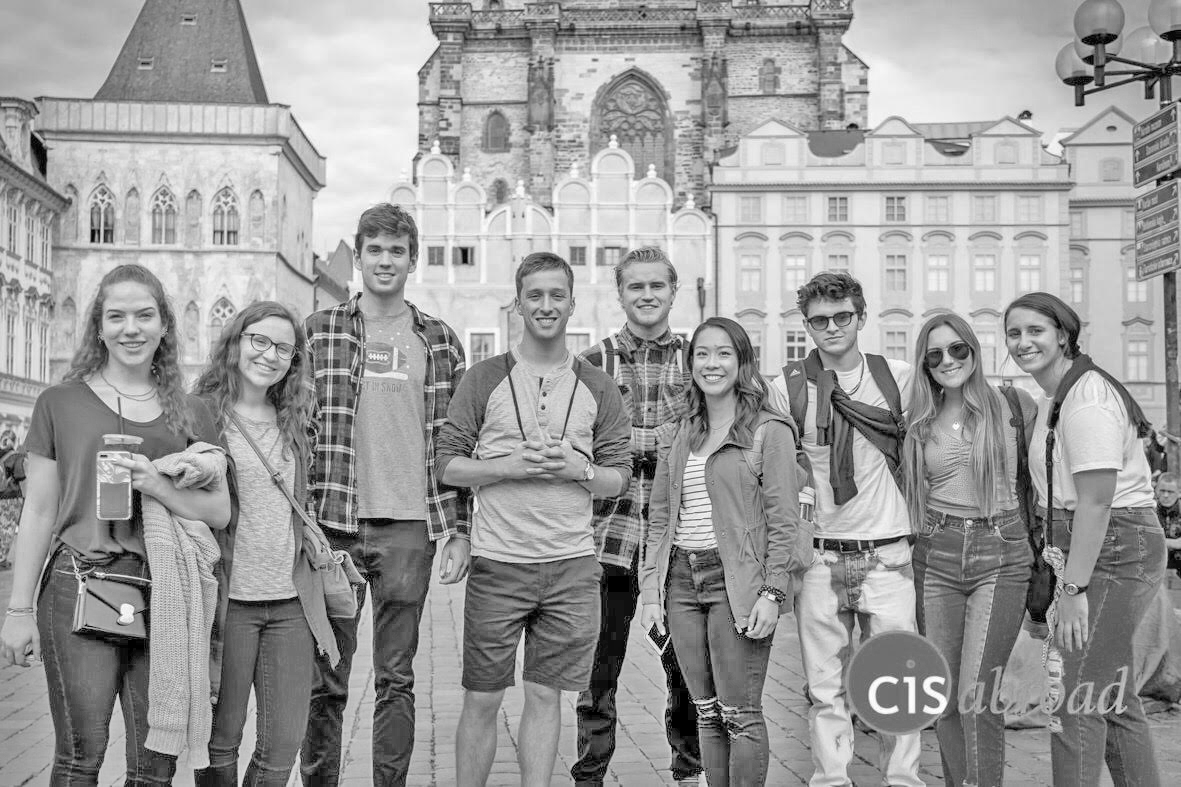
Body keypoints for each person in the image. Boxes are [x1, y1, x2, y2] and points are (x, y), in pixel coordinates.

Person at [0, 263, 230, 785]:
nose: (132, 328)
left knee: (155, 765)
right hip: (80, 581)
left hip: (167, 590)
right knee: (81, 754)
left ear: (165, 326)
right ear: (98, 328)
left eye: (145, 315)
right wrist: (16, 610)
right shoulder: (59, 403)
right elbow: (38, 511)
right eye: (117, 316)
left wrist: (156, 484)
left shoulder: (192, 412)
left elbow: (218, 512)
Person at [436, 252, 632, 787]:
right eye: (534, 296)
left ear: (572, 303)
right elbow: (447, 466)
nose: (546, 306)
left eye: (556, 295)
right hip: (499, 563)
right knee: (482, 696)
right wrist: (505, 466)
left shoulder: (598, 385)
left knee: (547, 695)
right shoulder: (484, 378)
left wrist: (580, 469)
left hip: (571, 565)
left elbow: (620, 477)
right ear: (518, 304)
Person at [302, 203, 471, 787]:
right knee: (326, 673)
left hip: (409, 528)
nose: (384, 260)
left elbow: (454, 438)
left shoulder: (440, 340)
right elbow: (295, 423)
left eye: (396, 250)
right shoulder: (320, 330)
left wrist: (459, 530)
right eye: (374, 249)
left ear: (412, 259)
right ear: (359, 255)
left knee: (396, 676)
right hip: (334, 524)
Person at [769, 271, 923, 787]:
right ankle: (831, 780)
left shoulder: (896, 377)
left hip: (887, 554)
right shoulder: (786, 386)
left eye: (841, 317)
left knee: (899, 682)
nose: (831, 327)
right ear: (806, 325)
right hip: (819, 557)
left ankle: (903, 780)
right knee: (824, 688)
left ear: (861, 316)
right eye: (819, 320)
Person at [1004, 291, 1164, 786]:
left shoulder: (1087, 397)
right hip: (1099, 544)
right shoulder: (1060, 394)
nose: (1023, 342)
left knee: (1074, 696)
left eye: (1036, 331)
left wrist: (1072, 590)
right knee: (1112, 694)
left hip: (1113, 545)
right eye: (1014, 333)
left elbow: (1096, 502)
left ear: (1064, 336)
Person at [639, 317, 806, 787]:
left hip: (738, 585)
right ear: (691, 363)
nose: (712, 364)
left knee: (741, 714)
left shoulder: (768, 431)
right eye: (703, 354)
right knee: (707, 714)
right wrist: (651, 593)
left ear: (742, 362)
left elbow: (784, 522)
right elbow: (660, 517)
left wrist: (773, 593)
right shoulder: (681, 431)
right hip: (681, 583)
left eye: (724, 353)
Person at [192, 301, 341, 786]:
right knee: (221, 742)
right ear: (236, 340)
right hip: (227, 601)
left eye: (284, 348)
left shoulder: (294, 418)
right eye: (259, 340)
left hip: (290, 601)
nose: (270, 355)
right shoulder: (201, 415)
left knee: (282, 745)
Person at [573, 246, 701, 787]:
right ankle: (591, 773)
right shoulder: (592, 363)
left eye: (657, 286)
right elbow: (576, 444)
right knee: (598, 671)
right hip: (609, 535)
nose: (647, 296)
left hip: (681, 537)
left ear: (674, 291)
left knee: (689, 669)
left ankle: (689, 769)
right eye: (635, 287)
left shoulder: (700, 357)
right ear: (620, 294)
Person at [901, 313, 1034, 787]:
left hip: (999, 551)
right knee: (944, 696)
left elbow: (1041, 480)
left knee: (978, 694)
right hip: (935, 553)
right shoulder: (918, 419)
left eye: (958, 349)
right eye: (934, 354)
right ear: (925, 364)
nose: (947, 360)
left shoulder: (1014, 406)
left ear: (974, 351)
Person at [0, 428, 23, 569]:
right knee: (7, 529)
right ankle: (1, 559)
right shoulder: (16, 456)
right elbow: (21, 476)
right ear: (13, 441)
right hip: (12, 497)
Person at [1154, 472, 1181, 579]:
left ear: (1179, 492)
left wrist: (1158, 541)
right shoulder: (1149, 511)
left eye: (1170, 492)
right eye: (1162, 491)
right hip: (1154, 565)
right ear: (1156, 491)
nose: (1165, 495)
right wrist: (1174, 543)